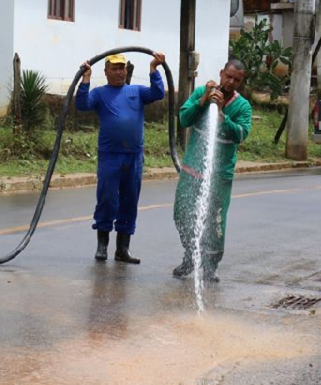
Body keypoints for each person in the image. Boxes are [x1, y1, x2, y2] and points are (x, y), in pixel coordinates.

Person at [76, 52, 166, 263]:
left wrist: (154, 68)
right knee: (107, 198)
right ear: (106, 72)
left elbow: (158, 93)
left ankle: (122, 250)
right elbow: (81, 104)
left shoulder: (136, 91)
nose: (119, 72)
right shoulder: (99, 94)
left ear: (127, 70)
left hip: (134, 156)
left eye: (122, 68)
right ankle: (102, 247)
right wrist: (86, 78)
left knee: (130, 200)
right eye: (114, 68)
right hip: (110, 155)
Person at [172, 59, 251, 282]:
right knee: (182, 214)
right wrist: (204, 100)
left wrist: (222, 118)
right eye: (228, 76)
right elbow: (184, 118)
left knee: (215, 222)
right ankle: (191, 255)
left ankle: (210, 265)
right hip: (192, 172)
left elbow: (242, 134)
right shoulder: (202, 92)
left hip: (219, 176)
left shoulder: (242, 106)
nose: (231, 82)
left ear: (241, 81)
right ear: (221, 73)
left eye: (236, 79)